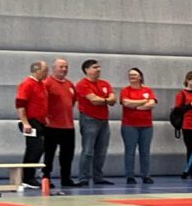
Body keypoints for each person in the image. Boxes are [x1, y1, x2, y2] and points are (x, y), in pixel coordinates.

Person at [73, 58, 115, 189]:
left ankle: (98, 176)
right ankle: (83, 177)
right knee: (88, 150)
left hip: (103, 120)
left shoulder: (105, 83)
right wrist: (106, 99)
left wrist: (103, 100)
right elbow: (94, 100)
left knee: (101, 150)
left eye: (99, 67)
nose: (98, 69)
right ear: (87, 70)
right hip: (89, 119)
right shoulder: (82, 84)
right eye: (95, 67)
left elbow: (113, 100)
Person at [39, 56, 77, 193]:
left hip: (68, 126)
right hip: (52, 126)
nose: (64, 69)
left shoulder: (70, 85)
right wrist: (45, 117)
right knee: (49, 153)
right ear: (54, 68)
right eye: (61, 67)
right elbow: (41, 101)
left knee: (67, 155)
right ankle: (46, 177)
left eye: (66, 67)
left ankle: (66, 178)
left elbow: (72, 102)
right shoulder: (47, 83)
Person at [116, 67, 156, 188]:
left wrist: (136, 105)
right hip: (129, 125)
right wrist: (143, 101)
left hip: (146, 125)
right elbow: (126, 103)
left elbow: (152, 103)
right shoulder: (125, 90)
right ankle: (130, 175)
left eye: (134, 75)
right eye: (130, 75)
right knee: (130, 151)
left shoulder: (148, 89)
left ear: (140, 77)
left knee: (145, 152)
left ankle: (146, 175)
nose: (132, 77)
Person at [13, 59, 47, 192]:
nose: (46, 74)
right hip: (30, 121)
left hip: (40, 121)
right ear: (36, 71)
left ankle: (28, 176)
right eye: (44, 71)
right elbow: (20, 105)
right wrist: (25, 122)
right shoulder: (27, 84)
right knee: (35, 148)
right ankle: (28, 178)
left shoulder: (41, 85)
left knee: (37, 148)